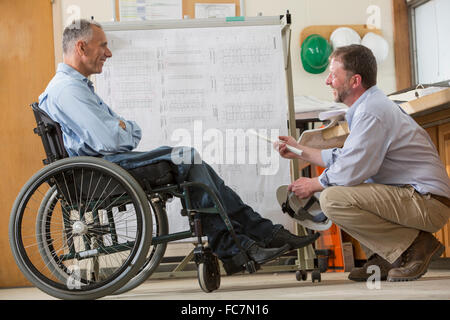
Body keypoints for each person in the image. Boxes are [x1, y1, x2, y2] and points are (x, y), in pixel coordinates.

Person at [38, 19, 319, 275]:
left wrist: (121, 128)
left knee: (192, 161)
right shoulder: (68, 90)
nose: (108, 53)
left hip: (105, 166)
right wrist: (121, 128)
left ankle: (254, 238)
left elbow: (126, 130)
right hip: (100, 172)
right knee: (186, 158)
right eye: (103, 46)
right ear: (81, 47)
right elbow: (112, 138)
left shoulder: (74, 87)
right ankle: (242, 243)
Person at [277, 44, 450, 282]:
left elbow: (350, 171)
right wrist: (298, 150)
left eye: (333, 74)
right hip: (416, 197)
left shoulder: (371, 111)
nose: (328, 81)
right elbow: (345, 159)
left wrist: (314, 184)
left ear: (355, 80)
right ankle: (388, 255)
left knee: (332, 198)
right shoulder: (368, 108)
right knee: (338, 190)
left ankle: (417, 246)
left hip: (427, 202)